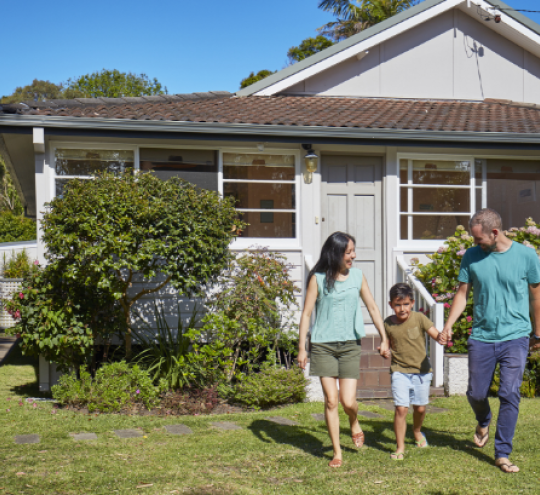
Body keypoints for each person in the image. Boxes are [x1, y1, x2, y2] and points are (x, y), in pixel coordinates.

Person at [442, 208, 540, 473]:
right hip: (482, 337)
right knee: (475, 392)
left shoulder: (526, 255)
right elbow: (462, 294)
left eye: (478, 240)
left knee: (509, 393)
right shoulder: (473, 257)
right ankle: (483, 419)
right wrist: (448, 325)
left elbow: (535, 297)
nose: (475, 245)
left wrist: (537, 333)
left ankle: (502, 453)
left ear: (495, 233)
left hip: (516, 336)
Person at [297, 232, 389, 468]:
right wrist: (302, 348)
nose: (353, 256)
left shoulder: (358, 276)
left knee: (348, 402)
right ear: (335, 253)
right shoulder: (317, 279)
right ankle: (337, 451)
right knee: (331, 400)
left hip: (349, 345)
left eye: (353, 251)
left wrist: (384, 338)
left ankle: (354, 420)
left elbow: (372, 307)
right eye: (348, 252)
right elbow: (307, 314)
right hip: (323, 346)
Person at [383, 283, 446, 460]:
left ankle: (417, 431)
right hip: (399, 371)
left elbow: (434, 333)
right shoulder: (388, 323)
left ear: (412, 302)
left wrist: (441, 337)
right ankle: (400, 447)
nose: (402, 309)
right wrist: (384, 350)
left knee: (419, 408)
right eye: (397, 304)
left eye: (405, 304)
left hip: (421, 372)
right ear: (391, 305)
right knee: (401, 409)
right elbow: (386, 344)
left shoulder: (419, 318)